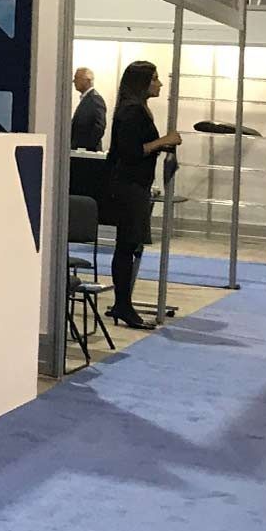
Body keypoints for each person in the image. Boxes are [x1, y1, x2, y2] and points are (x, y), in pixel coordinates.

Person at [104, 60, 180, 330]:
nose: (160, 84)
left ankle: (123, 303)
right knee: (127, 245)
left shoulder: (137, 110)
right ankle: (123, 304)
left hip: (135, 185)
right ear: (142, 83)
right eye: (155, 79)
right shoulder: (131, 112)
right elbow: (132, 151)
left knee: (130, 245)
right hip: (128, 187)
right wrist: (164, 141)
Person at [70, 66, 106, 152]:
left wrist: (87, 148)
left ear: (87, 80)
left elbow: (99, 127)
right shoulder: (87, 99)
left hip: (88, 154)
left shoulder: (95, 99)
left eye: (77, 78)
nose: (74, 81)